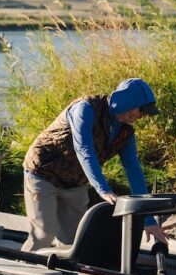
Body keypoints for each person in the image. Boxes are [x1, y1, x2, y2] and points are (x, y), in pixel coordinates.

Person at [22, 77, 167, 253]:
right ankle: (21, 266)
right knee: (43, 234)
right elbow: (84, 150)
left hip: (75, 183)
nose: (141, 116)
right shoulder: (85, 109)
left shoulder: (125, 134)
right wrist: (103, 189)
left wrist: (148, 219)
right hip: (43, 173)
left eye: (144, 114)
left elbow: (134, 171)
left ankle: (60, 270)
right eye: (141, 110)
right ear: (129, 101)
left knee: (75, 240)